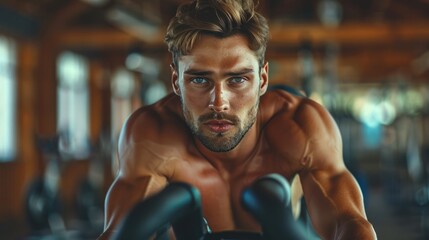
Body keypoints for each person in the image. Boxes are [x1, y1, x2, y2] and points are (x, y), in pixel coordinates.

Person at [98, 0, 377, 239]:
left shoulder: (301, 127)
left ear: (263, 79)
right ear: (175, 81)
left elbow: (349, 221)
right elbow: (118, 232)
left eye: (238, 79)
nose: (218, 102)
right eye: (199, 79)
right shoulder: (151, 135)